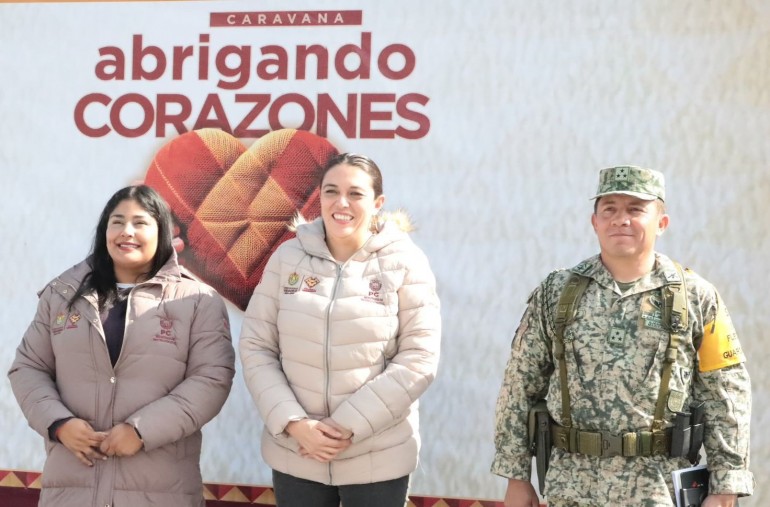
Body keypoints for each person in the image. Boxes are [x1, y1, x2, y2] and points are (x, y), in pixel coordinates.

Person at [491, 166, 753, 507]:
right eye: (609, 209)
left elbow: (726, 396)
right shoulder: (557, 293)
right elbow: (520, 384)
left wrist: (725, 487)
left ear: (661, 223)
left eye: (635, 209)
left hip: (658, 489)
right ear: (594, 222)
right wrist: (516, 476)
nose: (621, 220)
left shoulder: (695, 297)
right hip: (571, 488)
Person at [8, 185, 235, 507]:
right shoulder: (62, 294)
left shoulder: (197, 300)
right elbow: (28, 368)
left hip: (160, 491)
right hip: (72, 490)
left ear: (163, 233)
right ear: (104, 231)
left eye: (140, 223)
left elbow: (212, 379)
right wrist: (58, 423)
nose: (127, 231)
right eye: (117, 222)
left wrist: (141, 431)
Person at [239, 152, 441, 507]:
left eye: (356, 193)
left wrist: (345, 426)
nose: (341, 203)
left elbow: (419, 358)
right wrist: (295, 424)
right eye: (331, 191)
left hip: (377, 456)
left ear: (378, 203)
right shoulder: (288, 258)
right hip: (298, 452)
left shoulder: (405, 262)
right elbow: (257, 347)